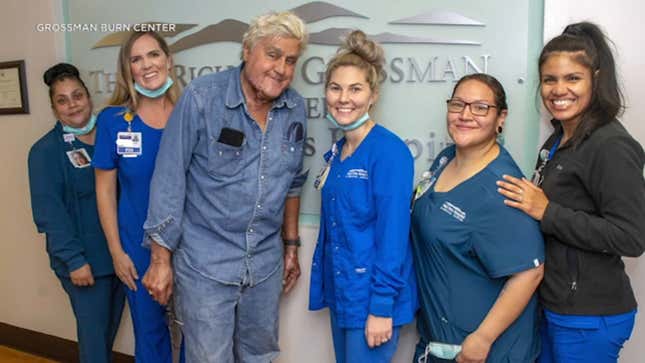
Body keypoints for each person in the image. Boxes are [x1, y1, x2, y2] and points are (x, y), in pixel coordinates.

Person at [140, 11, 308, 362]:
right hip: (206, 266)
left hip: (264, 265)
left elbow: (292, 181)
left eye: (291, 60)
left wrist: (290, 245)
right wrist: (160, 260)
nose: (281, 68)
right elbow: (169, 178)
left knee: (259, 357)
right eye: (273, 54)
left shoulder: (296, 108)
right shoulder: (203, 98)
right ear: (248, 50)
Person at [497, 22, 645, 363]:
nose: (559, 90)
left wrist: (548, 212)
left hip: (589, 316)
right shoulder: (558, 138)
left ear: (595, 78)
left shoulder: (612, 145)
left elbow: (631, 237)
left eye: (572, 79)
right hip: (555, 305)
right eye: (550, 80)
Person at [410, 74, 545, 363]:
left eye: (480, 107)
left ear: (501, 117)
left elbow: (530, 272)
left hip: (483, 351)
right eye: (458, 104)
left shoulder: (503, 187)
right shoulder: (445, 159)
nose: (465, 114)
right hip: (438, 342)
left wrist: (483, 338)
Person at [307, 30, 417, 363]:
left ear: (373, 95)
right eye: (335, 88)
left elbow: (393, 236)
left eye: (356, 89)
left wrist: (382, 306)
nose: (344, 98)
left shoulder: (389, 152)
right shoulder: (338, 151)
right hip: (345, 295)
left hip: (373, 300)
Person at [93, 31, 181, 363]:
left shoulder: (189, 113)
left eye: (154, 55)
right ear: (127, 69)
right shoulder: (113, 121)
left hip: (189, 244)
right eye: (136, 58)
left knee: (196, 330)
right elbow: (103, 190)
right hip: (137, 245)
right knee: (150, 331)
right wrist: (116, 251)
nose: (147, 65)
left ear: (168, 61)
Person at [28, 63, 125, 363]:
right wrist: (74, 260)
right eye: (62, 100)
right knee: (94, 342)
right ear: (54, 107)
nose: (72, 105)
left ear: (88, 97)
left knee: (106, 336)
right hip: (84, 263)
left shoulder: (111, 136)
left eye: (77, 95)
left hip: (119, 259)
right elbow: (49, 214)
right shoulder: (45, 151)